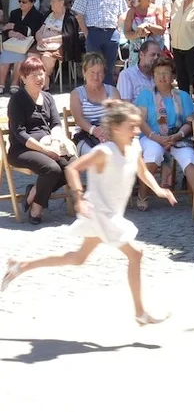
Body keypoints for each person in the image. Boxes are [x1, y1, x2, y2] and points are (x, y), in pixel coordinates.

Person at [1, 100, 175, 325]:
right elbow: (73, 168)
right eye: (131, 127)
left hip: (110, 213)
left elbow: (142, 171)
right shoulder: (104, 151)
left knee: (77, 258)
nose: (136, 131)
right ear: (116, 128)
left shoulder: (134, 147)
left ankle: (21, 266)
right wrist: (79, 197)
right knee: (136, 254)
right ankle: (140, 313)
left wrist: (159, 190)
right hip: (99, 212)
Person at [6, 57, 77, 224]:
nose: (39, 78)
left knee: (73, 165)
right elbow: (19, 132)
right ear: (23, 78)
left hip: (49, 143)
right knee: (52, 169)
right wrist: (45, 150)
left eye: (41, 74)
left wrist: (55, 142)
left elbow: (56, 123)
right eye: (34, 75)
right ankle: (37, 208)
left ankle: (34, 194)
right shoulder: (17, 99)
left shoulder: (47, 97)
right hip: (22, 149)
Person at [135, 56, 194, 210]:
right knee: (153, 153)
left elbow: (190, 122)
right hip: (151, 136)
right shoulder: (146, 95)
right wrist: (156, 137)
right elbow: (141, 121)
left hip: (178, 137)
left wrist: (178, 135)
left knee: (189, 158)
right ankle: (142, 194)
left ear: (173, 76)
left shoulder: (183, 96)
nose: (162, 77)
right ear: (153, 76)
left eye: (166, 73)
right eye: (158, 73)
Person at [72, 0, 127, 85]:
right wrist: (87, 34)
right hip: (93, 33)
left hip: (112, 34)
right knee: (92, 67)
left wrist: (118, 30)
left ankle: (107, 92)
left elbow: (123, 12)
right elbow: (78, 14)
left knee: (109, 68)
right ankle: (93, 91)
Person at [69, 52, 120, 154]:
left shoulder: (112, 91)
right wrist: (95, 130)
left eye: (99, 72)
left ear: (104, 74)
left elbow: (118, 116)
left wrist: (106, 131)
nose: (96, 77)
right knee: (94, 155)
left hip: (110, 134)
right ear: (84, 72)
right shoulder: (76, 94)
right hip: (86, 135)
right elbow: (78, 119)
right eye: (92, 72)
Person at [0, 0, 44, 94]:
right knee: (5, 56)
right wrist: (12, 32)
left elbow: (31, 31)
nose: (21, 4)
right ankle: (1, 84)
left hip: (28, 45)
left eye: (24, 2)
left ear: (32, 2)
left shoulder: (38, 16)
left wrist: (14, 27)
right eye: (19, 1)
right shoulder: (14, 13)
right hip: (13, 43)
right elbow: (7, 29)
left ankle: (15, 83)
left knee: (19, 58)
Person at [30, 0, 74, 87]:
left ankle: (44, 82)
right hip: (42, 43)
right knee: (31, 55)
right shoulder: (48, 14)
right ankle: (34, 82)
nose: (51, 3)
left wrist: (48, 40)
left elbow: (67, 36)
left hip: (59, 45)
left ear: (61, 2)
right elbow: (39, 31)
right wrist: (39, 39)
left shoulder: (69, 17)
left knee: (47, 57)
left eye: (53, 1)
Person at [123, 0, 167, 69]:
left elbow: (162, 30)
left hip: (155, 53)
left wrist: (148, 26)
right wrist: (138, 34)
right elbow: (127, 33)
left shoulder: (157, 9)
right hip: (137, 53)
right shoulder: (132, 12)